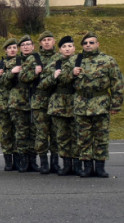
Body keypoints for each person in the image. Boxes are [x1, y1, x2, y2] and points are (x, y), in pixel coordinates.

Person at [72, 32, 123, 177]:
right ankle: (87, 166)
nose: (88, 45)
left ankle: (100, 166)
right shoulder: (75, 60)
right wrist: (71, 73)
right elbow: (62, 79)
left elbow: (117, 84)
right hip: (82, 104)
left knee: (101, 137)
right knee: (83, 138)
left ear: (98, 44)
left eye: (91, 42)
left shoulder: (108, 61)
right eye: (85, 43)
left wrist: (116, 105)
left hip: (101, 103)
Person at [25, 31, 59, 173]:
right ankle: (44, 162)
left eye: (49, 39)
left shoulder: (60, 57)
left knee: (56, 133)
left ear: (54, 41)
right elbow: (23, 77)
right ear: (40, 43)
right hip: (40, 100)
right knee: (41, 133)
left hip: (57, 101)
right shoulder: (33, 58)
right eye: (44, 40)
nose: (46, 42)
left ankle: (55, 163)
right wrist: (34, 73)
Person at [45, 36, 77, 176]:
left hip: (77, 103)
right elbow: (43, 83)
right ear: (59, 49)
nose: (67, 49)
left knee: (76, 135)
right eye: (64, 47)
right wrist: (54, 76)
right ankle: (66, 165)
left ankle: (76, 164)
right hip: (59, 103)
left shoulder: (81, 61)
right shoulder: (54, 63)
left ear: (74, 48)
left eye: (70, 46)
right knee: (62, 136)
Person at [8, 36, 36, 172]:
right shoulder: (13, 62)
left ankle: (33, 160)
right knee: (21, 133)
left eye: (28, 44)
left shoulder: (38, 60)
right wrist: (10, 73)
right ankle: (22, 160)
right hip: (18, 102)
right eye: (23, 45)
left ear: (33, 46)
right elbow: (2, 82)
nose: (26, 46)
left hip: (34, 101)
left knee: (34, 132)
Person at [0, 40, 19, 171]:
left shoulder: (22, 62)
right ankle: (8, 160)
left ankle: (19, 159)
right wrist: (10, 73)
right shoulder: (0, 64)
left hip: (18, 102)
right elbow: (0, 81)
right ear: (5, 50)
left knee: (19, 131)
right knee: (6, 132)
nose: (12, 50)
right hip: (2, 102)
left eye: (14, 47)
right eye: (10, 48)